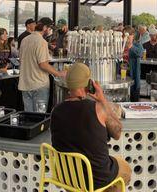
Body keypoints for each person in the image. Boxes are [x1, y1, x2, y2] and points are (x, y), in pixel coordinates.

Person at [50, 63, 131, 191]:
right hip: (96, 179)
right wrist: (102, 100)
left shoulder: (55, 111)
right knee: (125, 169)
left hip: (67, 177)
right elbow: (117, 132)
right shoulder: (98, 108)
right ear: (88, 84)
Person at [18, 18, 66, 112]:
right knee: (39, 118)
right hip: (39, 84)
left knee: (29, 117)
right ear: (44, 28)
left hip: (25, 84)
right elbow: (43, 64)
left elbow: (21, 60)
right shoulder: (41, 42)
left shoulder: (25, 40)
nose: (50, 31)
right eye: (49, 28)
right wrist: (59, 73)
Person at [128, 31, 143, 102]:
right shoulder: (120, 44)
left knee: (134, 95)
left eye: (128, 36)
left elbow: (140, 53)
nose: (126, 38)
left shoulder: (137, 45)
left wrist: (132, 46)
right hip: (121, 72)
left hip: (133, 74)